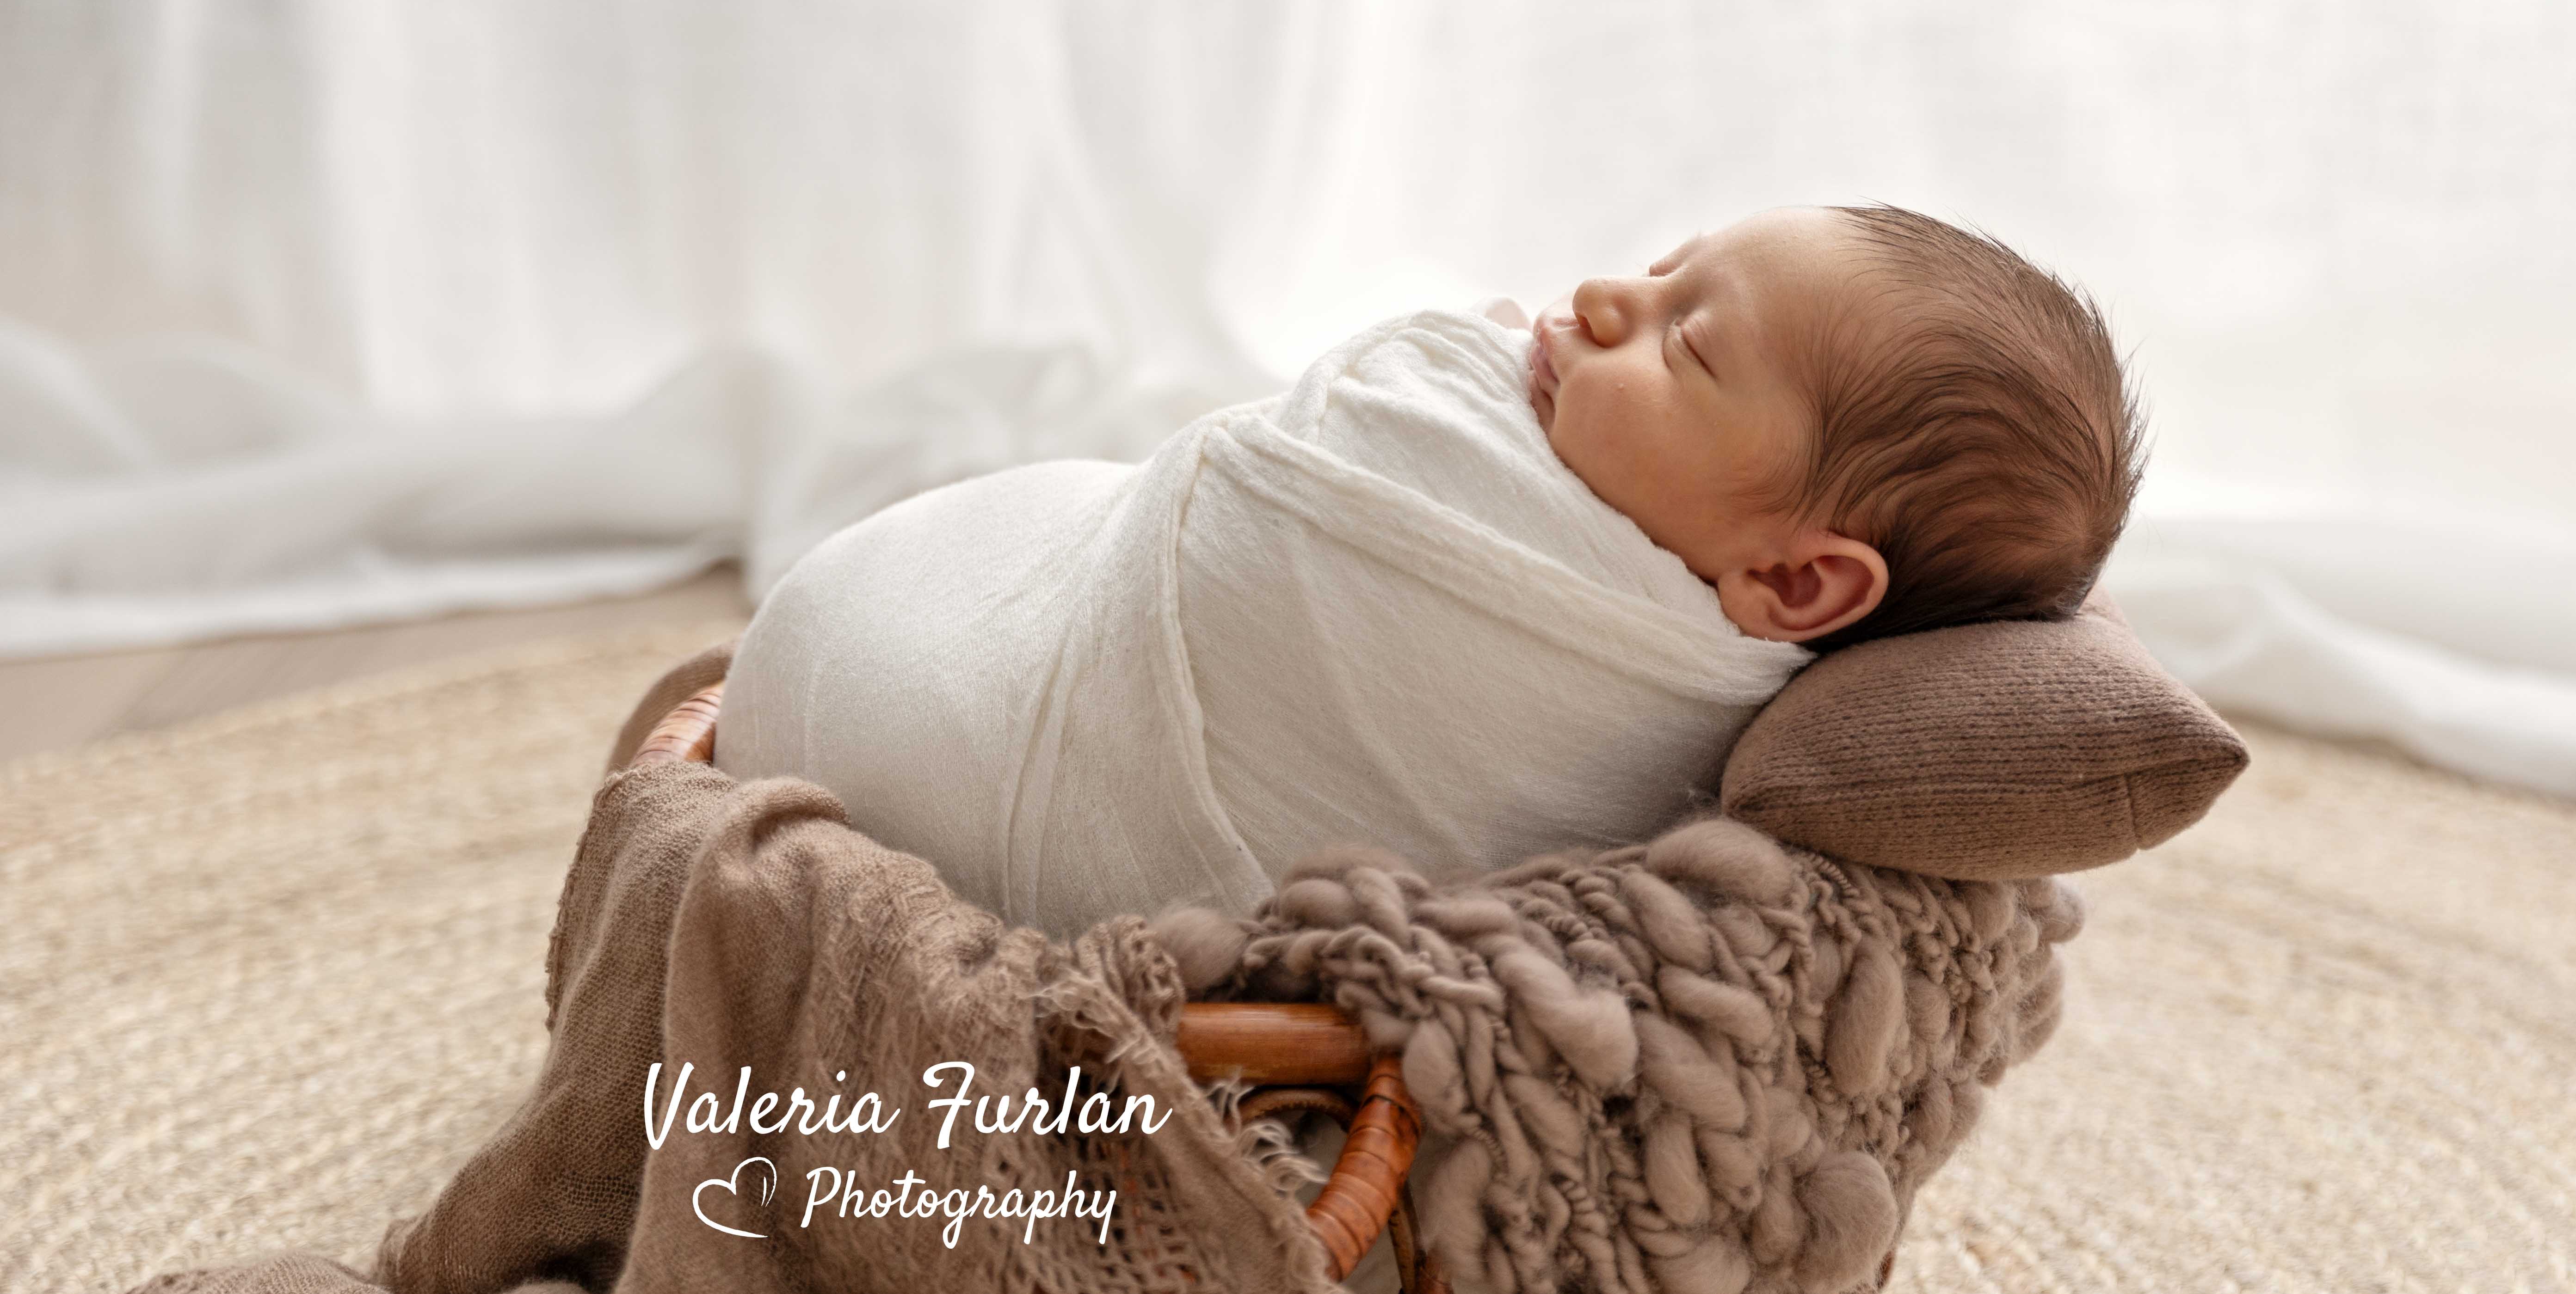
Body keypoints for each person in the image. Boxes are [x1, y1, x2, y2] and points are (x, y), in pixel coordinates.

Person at [715, 204, 2142, 939]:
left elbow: (1359, 417)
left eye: (1687, 343)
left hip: (950, 779)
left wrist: (1462, 369)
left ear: (1800, 590)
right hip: (987, 657)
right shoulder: (1634, 551)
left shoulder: (1630, 667)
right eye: (1658, 269)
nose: (1598, 301)